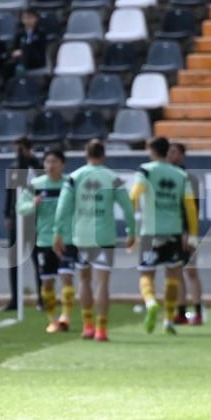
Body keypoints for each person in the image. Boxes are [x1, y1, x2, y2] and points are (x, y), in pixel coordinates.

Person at [53, 139, 136, 342]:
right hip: (105, 236)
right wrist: (131, 231)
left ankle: (87, 325)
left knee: (84, 280)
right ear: (103, 155)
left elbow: (62, 207)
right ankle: (101, 328)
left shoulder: (74, 177)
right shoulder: (112, 177)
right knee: (103, 283)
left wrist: (58, 233)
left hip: (82, 236)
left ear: (85, 155)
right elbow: (127, 206)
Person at [131, 136, 199, 335]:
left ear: (151, 150)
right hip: (174, 232)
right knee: (173, 277)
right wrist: (193, 235)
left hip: (150, 232)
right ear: (167, 151)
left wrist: (130, 228)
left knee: (146, 275)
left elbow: (134, 195)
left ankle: (151, 302)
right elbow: (190, 207)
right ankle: (169, 319)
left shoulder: (145, 171)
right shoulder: (180, 174)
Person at [17, 147, 76, 333]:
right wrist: (32, 205)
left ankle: (65, 316)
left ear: (63, 164)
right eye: (47, 162)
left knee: (67, 277)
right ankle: (52, 319)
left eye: (54, 162)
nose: (50, 166)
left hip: (67, 239)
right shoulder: (35, 185)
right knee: (47, 282)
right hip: (44, 240)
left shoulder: (70, 183)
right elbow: (20, 207)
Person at [166, 141, 205, 325]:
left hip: (185, 231)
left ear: (182, 155)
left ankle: (197, 310)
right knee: (176, 272)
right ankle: (181, 311)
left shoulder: (189, 179)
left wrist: (190, 234)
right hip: (172, 231)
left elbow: (194, 209)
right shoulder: (167, 178)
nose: (170, 155)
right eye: (169, 152)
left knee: (191, 271)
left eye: (174, 152)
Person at [1, 137, 41, 311]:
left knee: (38, 260)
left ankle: (43, 298)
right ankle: (15, 299)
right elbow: (9, 193)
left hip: (34, 218)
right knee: (14, 260)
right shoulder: (13, 167)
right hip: (17, 217)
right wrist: (7, 214)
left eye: (19, 149)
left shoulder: (38, 166)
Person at [9, 7, 48, 76]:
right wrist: (16, 53)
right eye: (25, 18)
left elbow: (41, 50)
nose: (27, 20)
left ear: (36, 19)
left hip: (36, 61)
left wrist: (24, 50)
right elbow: (13, 49)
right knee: (9, 64)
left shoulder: (41, 33)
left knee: (26, 47)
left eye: (30, 18)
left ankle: (23, 72)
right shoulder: (19, 33)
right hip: (20, 59)